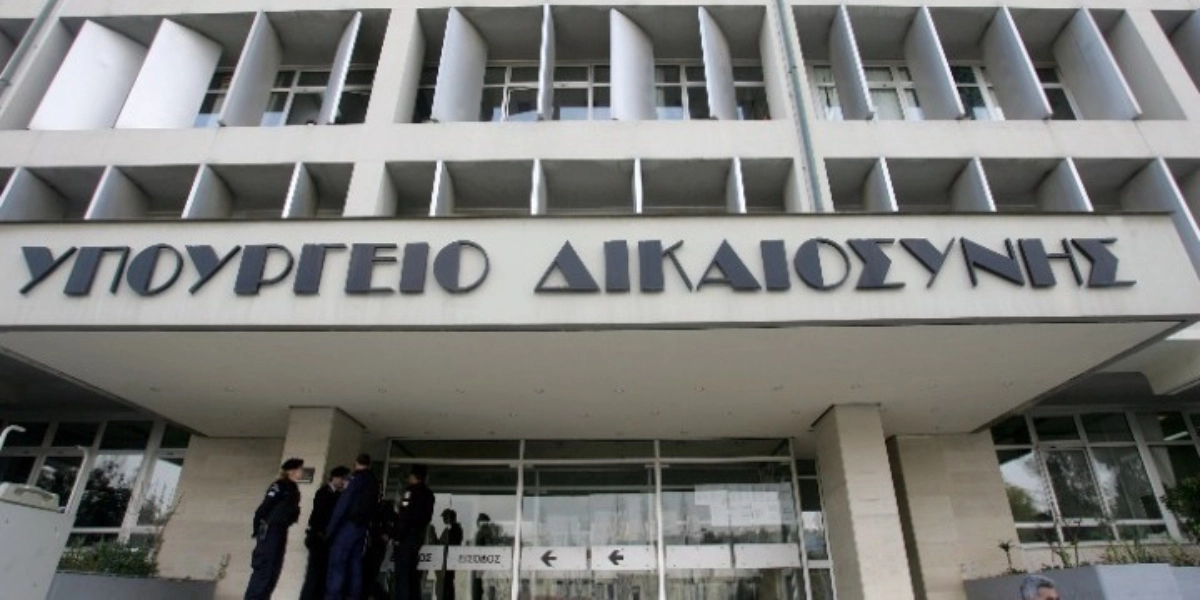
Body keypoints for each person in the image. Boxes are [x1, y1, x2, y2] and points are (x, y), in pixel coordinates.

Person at [245, 458, 305, 600]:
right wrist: (258, 530)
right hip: (270, 531)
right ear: (291, 471)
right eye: (300, 469)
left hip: (281, 530)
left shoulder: (293, 488)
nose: (302, 472)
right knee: (264, 570)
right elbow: (263, 509)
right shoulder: (279, 486)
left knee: (273, 571)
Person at [325, 454, 380, 600]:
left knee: (337, 564)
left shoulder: (355, 478)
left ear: (356, 463)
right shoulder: (374, 481)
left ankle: (333, 597)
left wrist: (330, 529)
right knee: (355, 565)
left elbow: (344, 503)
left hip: (348, 526)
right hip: (362, 527)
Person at [300, 466, 350, 600]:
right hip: (319, 538)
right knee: (314, 575)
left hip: (327, 540)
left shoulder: (337, 494)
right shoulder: (324, 492)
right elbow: (323, 515)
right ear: (336, 478)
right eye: (342, 479)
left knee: (322, 576)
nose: (343, 482)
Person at [392, 464, 435, 600]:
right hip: (417, 537)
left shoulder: (410, 492)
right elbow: (426, 517)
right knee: (413, 574)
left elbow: (404, 515)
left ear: (413, 476)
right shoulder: (429, 495)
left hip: (406, 538)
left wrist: (397, 536)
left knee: (403, 575)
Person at [361, 491, 397, 599]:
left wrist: (386, 534)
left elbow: (393, 522)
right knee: (367, 578)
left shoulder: (383, 508)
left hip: (375, 546)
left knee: (368, 578)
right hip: (370, 546)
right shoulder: (372, 507)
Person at [435, 509, 464, 600]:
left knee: (447, 584)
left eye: (445, 517)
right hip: (447, 562)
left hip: (448, 562)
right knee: (447, 584)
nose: (443, 520)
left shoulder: (453, 530)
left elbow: (450, 545)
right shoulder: (451, 530)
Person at [471, 514, 500, 600]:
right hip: (481, 565)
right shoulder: (484, 533)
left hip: (483, 565)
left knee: (480, 587)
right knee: (480, 587)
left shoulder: (484, 533)